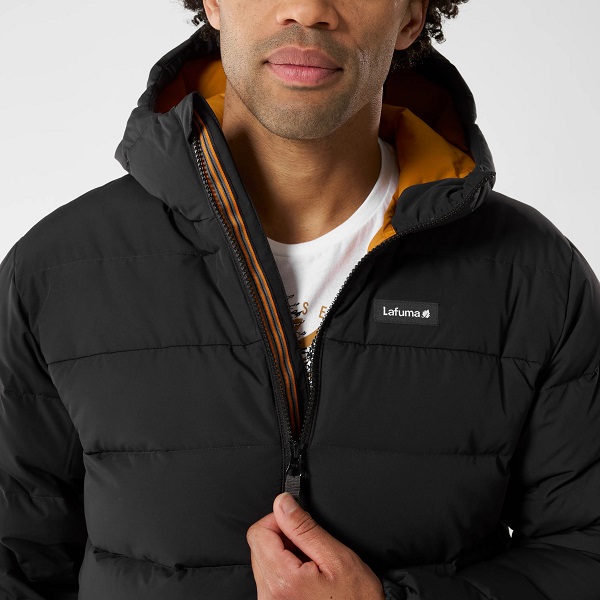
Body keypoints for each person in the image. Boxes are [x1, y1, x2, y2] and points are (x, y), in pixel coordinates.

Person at [1, 0, 599, 598]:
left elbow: (585, 551)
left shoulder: (536, 278)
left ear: (412, 17)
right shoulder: (55, 272)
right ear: (213, 3)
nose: (308, 10)